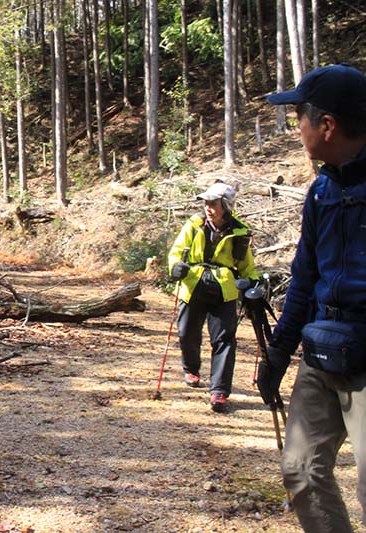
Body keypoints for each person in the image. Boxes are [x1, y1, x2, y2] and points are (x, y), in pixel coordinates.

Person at [259, 64, 366, 532]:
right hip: (322, 348)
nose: (295, 125)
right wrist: (279, 352)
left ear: (327, 125)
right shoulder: (321, 190)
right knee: (300, 469)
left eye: (299, 114)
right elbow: (303, 275)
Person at [168, 181, 259, 413]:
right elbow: (177, 252)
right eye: (206, 203)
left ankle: (219, 390)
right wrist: (175, 266)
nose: (208, 207)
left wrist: (250, 281)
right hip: (193, 283)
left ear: (226, 205)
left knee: (224, 340)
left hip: (224, 289)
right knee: (186, 331)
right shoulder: (194, 224)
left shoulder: (240, 231)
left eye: (213, 203)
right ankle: (191, 369)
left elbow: (247, 264)